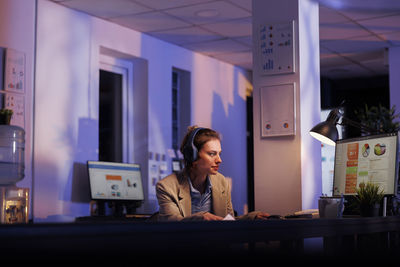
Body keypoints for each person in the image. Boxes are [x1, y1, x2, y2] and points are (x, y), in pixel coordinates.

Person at [156, 125, 270, 221]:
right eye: (212, 154)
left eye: (219, 153)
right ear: (192, 156)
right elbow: (172, 224)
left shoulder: (221, 182)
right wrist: (200, 218)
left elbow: (227, 221)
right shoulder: (166, 186)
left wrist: (250, 218)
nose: (219, 160)